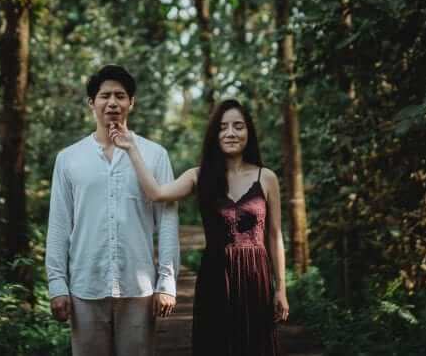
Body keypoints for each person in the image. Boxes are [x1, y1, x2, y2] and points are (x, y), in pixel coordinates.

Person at [110, 98, 288, 356]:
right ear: (214, 134)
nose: (230, 133)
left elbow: (274, 236)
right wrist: (131, 149)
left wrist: (280, 289)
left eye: (238, 126)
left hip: (256, 278)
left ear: (248, 132)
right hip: (215, 277)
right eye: (223, 127)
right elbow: (157, 193)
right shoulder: (198, 175)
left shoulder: (267, 177)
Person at [45, 64, 179, 356]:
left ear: (132, 102)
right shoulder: (69, 159)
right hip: (85, 286)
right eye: (105, 95)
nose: (113, 103)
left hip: (138, 288)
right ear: (91, 102)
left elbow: (167, 221)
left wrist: (167, 282)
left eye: (120, 95)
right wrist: (57, 284)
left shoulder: (155, 155)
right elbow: (59, 224)